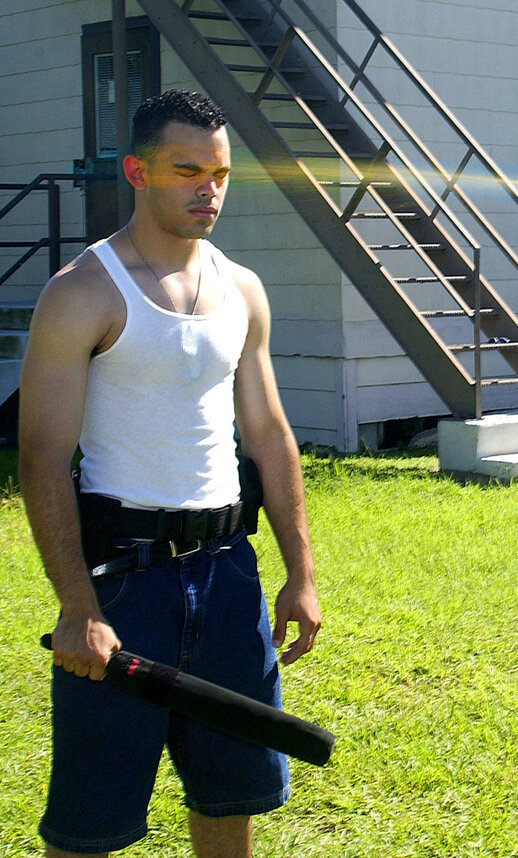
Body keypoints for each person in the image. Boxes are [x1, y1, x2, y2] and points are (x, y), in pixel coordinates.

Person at [19, 89, 321, 857]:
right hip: (124, 582)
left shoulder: (242, 289)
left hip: (228, 575)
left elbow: (269, 433)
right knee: (92, 822)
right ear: (138, 172)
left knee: (230, 798)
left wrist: (300, 574)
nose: (207, 189)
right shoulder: (82, 292)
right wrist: (78, 606)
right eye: (187, 170)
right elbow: (43, 457)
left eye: (219, 173)